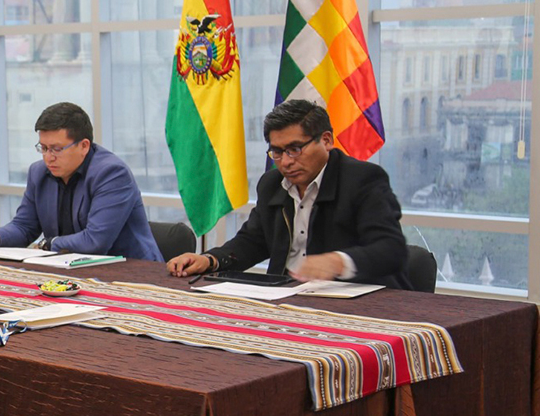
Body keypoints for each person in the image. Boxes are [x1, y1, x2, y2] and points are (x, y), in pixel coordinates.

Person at [167, 99, 411, 289]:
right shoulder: (272, 184)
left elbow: (391, 249)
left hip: (357, 303)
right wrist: (210, 260)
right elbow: (253, 242)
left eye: (295, 149)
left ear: (326, 140)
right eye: (276, 152)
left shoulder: (362, 179)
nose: (285, 162)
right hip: (286, 298)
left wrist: (338, 262)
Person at [0, 102, 162, 261]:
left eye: (56, 149)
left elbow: (95, 241)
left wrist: (47, 244)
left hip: (132, 273)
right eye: (43, 148)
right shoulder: (39, 173)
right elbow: (24, 226)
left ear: (84, 146)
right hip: (69, 271)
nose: (48, 157)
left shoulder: (111, 174)